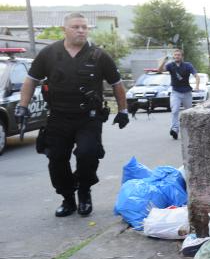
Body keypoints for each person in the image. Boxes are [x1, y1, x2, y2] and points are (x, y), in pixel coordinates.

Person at [14, 12, 129, 217]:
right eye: (76, 27)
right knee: (56, 158)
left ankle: (84, 191)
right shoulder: (49, 53)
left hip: (89, 117)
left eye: (84, 27)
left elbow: (117, 84)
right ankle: (67, 198)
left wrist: (123, 110)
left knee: (87, 154)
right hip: (58, 117)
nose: (81, 30)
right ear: (64, 29)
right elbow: (31, 79)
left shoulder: (99, 56)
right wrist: (22, 106)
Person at [157, 48, 199, 139]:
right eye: (175, 55)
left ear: (182, 56)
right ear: (173, 56)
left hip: (187, 93)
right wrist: (163, 61)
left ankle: (190, 129)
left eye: (178, 55)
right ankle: (175, 129)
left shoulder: (188, 65)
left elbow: (196, 75)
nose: (177, 56)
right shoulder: (170, 65)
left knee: (189, 112)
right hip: (175, 92)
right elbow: (159, 71)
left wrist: (197, 86)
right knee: (175, 110)